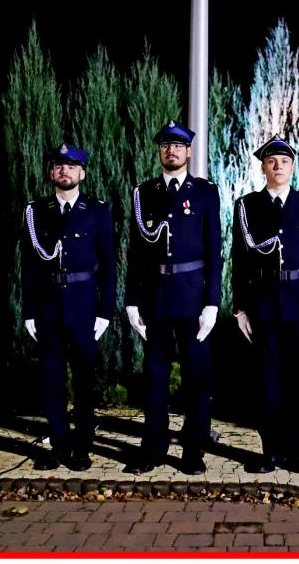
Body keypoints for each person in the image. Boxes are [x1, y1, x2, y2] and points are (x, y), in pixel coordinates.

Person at [124, 120, 223, 475]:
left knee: (196, 379)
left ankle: (193, 450)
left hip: (193, 299)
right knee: (155, 379)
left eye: (178, 146)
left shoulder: (205, 193)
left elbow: (215, 251)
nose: (172, 151)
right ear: (160, 152)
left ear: (189, 152)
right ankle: (153, 449)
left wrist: (212, 302)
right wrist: (131, 301)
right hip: (155, 298)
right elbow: (135, 252)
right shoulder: (143, 193)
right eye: (166, 145)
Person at [232, 134, 299, 474]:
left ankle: (297, 451)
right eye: (272, 161)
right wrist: (240, 308)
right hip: (263, 303)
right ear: (263, 167)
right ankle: (270, 451)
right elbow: (240, 259)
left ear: (292, 167)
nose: (278, 166)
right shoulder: (248, 206)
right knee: (267, 380)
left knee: (298, 379)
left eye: (284, 162)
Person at [21, 143, 116, 472]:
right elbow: (28, 265)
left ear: (82, 174)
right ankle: (59, 444)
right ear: (51, 173)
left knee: (85, 381)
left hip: (84, 306)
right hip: (48, 306)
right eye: (60, 166)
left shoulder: (97, 211)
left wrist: (105, 311)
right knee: (52, 380)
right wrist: (29, 311)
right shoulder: (36, 211)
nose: (65, 171)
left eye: (72, 166)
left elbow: (109, 264)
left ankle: (83, 445)